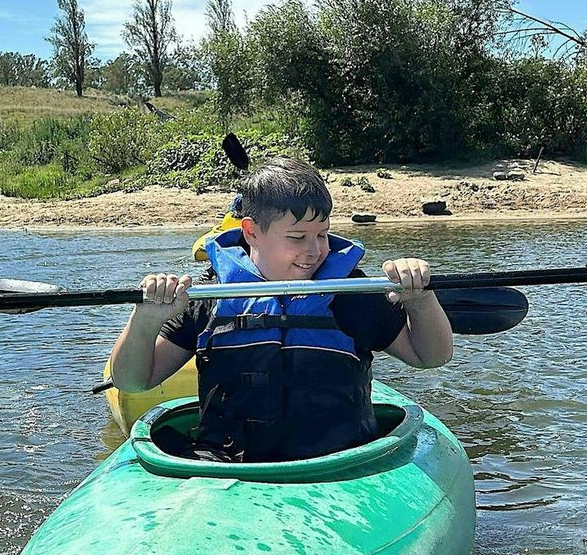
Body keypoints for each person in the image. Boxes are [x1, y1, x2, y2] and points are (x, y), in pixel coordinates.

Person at [110, 158, 453, 463]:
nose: (315, 250)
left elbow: (430, 356)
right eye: (297, 236)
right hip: (225, 463)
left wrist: (419, 299)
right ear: (251, 232)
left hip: (340, 460)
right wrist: (147, 317)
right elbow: (134, 381)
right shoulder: (210, 293)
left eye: (323, 234)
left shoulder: (349, 291)